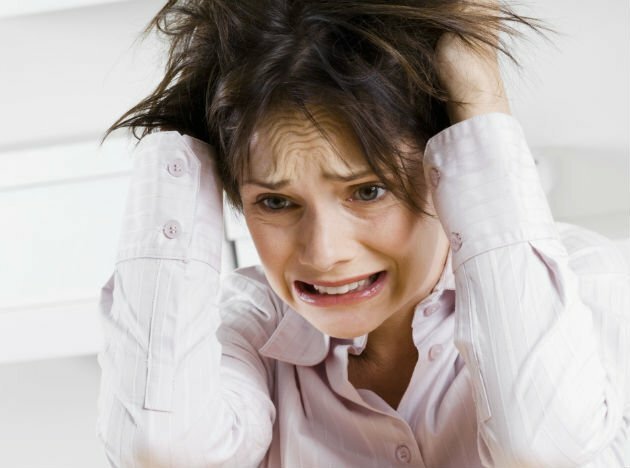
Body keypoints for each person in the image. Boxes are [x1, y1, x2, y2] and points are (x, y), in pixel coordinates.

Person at [96, 1, 630, 466]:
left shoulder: (593, 286)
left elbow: (543, 448)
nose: (324, 253)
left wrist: (478, 96)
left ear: (447, 167)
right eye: (276, 202)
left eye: (368, 191)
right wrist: (181, 137)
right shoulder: (246, 329)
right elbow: (161, 447)